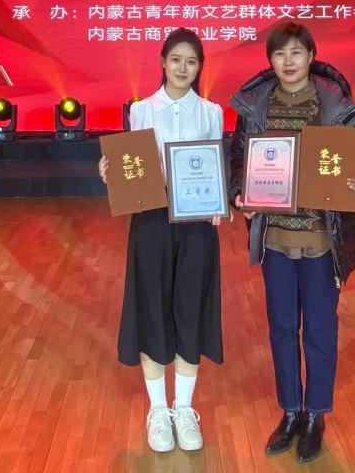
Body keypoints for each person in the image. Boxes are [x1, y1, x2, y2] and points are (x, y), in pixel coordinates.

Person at [228, 22, 355, 464]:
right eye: (280, 54)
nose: (288, 61)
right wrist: (239, 193)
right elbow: (238, 159)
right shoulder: (256, 107)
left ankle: (316, 414)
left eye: (296, 52)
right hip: (275, 237)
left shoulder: (338, 107)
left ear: (311, 56)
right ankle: (290, 411)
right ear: (270, 61)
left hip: (322, 240)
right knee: (281, 328)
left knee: (318, 329)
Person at [98, 28, 231, 454]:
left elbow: (217, 164)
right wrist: (111, 172)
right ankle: (158, 410)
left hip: (196, 222)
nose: (183, 68)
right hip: (152, 221)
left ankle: (183, 408)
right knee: (152, 308)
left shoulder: (211, 112)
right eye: (176, 59)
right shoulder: (141, 110)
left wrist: (220, 199)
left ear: (199, 66)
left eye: (191, 61)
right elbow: (131, 165)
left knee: (190, 309)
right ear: (162, 62)